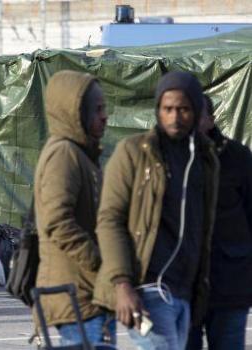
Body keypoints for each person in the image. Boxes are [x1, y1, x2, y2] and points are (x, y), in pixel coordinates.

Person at [93, 71, 219, 350]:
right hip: (146, 289)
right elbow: (109, 220)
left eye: (183, 109)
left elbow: (204, 227)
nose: (175, 117)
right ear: (158, 110)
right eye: (168, 109)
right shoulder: (134, 152)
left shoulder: (205, 160)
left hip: (184, 292)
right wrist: (122, 284)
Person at [33, 70, 113, 346]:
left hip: (90, 292)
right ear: (75, 112)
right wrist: (100, 261)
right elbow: (57, 222)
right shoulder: (64, 154)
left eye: (105, 108)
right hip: (75, 293)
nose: (105, 116)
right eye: (97, 109)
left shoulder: (83, 154)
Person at [186, 95, 252, 350]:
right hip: (184, 286)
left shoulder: (237, 157)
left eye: (194, 113)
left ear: (210, 120)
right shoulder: (170, 159)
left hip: (230, 283)